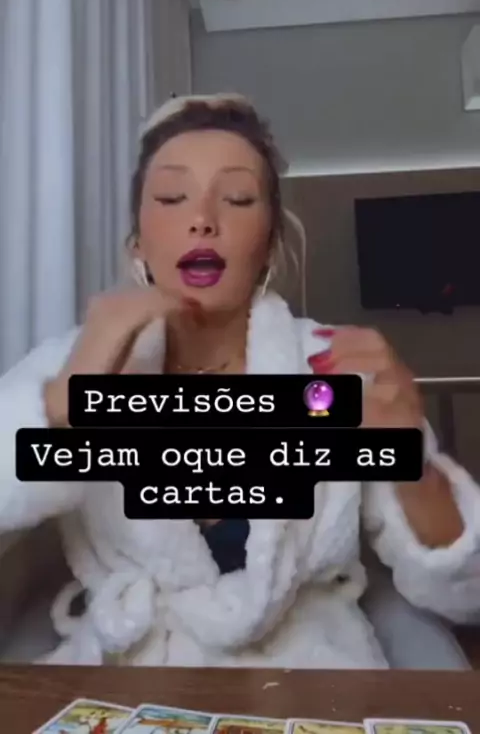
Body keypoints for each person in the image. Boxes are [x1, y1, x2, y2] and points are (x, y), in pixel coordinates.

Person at [0, 93, 479, 668]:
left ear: (270, 245)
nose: (203, 218)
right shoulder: (72, 362)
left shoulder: (332, 369)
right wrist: (61, 406)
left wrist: (414, 465)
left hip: (310, 676)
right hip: (133, 680)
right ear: (138, 243)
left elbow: (466, 592)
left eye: (237, 198)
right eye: (172, 198)